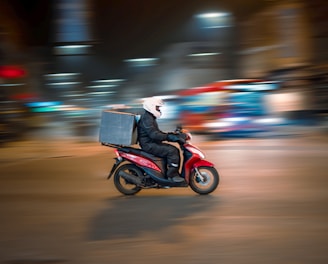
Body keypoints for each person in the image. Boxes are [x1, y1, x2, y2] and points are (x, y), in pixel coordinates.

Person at [137, 97, 186, 183]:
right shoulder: (147, 119)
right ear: (151, 106)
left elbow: (157, 133)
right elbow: (154, 135)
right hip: (149, 145)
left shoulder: (149, 117)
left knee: (170, 149)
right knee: (172, 150)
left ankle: (165, 172)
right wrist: (169, 137)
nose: (159, 109)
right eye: (157, 107)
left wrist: (172, 135)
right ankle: (172, 175)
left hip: (151, 143)